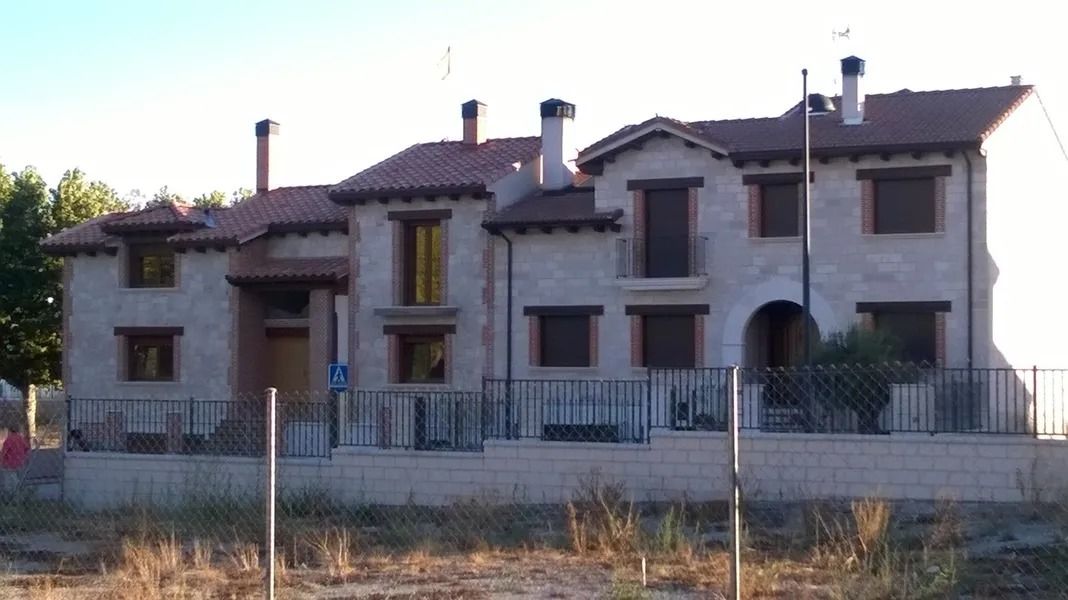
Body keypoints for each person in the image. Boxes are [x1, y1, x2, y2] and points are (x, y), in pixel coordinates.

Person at [0, 423, 30, 494]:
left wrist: (1, 460)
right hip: (19, 462)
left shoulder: (9, 439)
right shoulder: (20, 438)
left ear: (9, 431)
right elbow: (27, 448)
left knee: (8, 480)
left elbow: (4, 452)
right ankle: (17, 491)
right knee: (16, 477)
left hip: (8, 464)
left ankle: (10, 494)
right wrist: (23, 456)